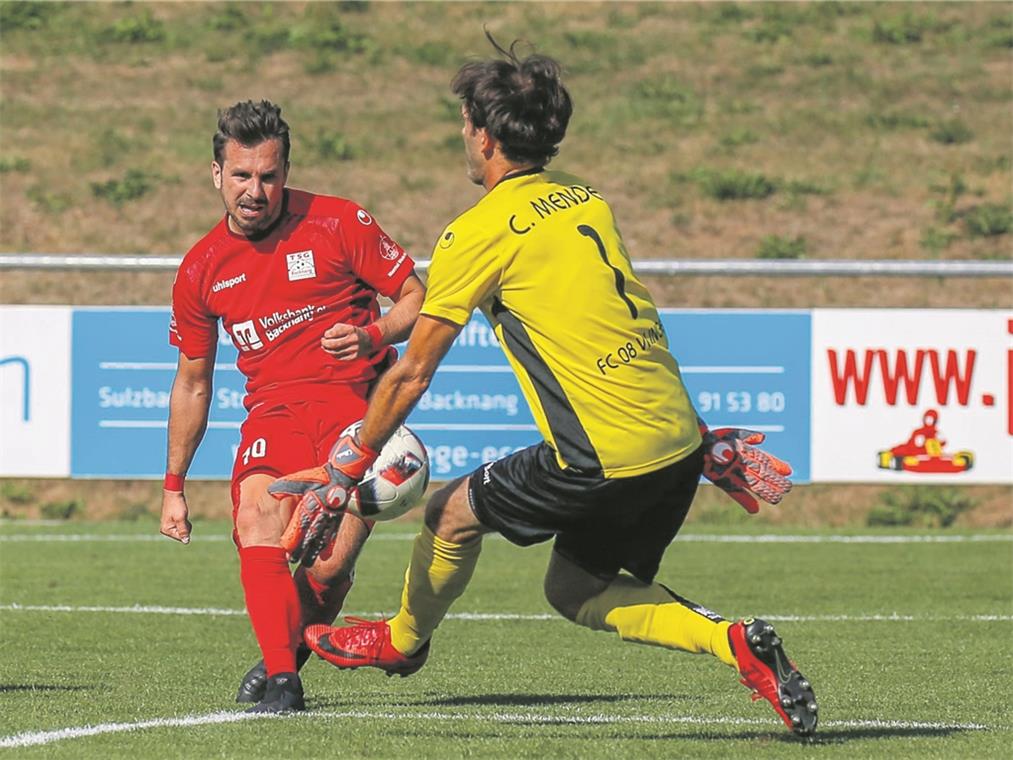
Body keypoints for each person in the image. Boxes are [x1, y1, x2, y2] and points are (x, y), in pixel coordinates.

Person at [279, 37, 817, 737]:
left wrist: (346, 464)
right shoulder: (585, 202)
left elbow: (413, 370)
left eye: (466, 127)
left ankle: (403, 641)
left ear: (486, 135)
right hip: (676, 444)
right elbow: (630, 324)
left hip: (599, 452)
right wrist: (702, 440)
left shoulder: (476, 231)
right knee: (575, 588)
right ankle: (735, 643)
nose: (463, 141)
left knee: (448, 515)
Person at [158, 100, 424, 713]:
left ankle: (288, 648)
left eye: (269, 176)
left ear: (285, 171)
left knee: (328, 568)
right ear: (216, 174)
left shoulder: (338, 222)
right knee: (256, 520)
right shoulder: (200, 269)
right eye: (242, 176)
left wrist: (375, 334)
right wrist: (174, 484)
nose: (256, 191)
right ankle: (284, 679)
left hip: (358, 415)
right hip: (274, 415)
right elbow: (194, 382)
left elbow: (415, 296)